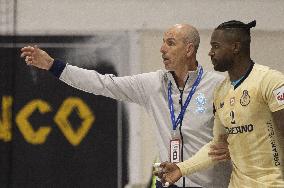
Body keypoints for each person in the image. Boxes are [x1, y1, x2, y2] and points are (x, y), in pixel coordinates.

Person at [20, 24, 232, 188]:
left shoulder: (218, 87)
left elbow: (244, 139)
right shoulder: (153, 84)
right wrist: (53, 66)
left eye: (170, 43)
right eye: (162, 42)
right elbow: (103, 83)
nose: (162, 49)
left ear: (189, 50)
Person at [156, 20, 284, 188]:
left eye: (216, 46)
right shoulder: (221, 91)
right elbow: (217, 147)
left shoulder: (270, 81)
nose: (210, 53)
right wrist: (181, 168)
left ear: (235, 48)